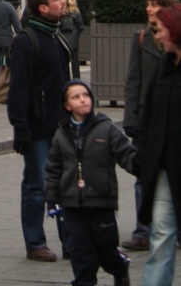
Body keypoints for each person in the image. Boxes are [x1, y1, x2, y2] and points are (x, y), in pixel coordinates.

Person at [45, 79, 138, 286]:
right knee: (80, 252)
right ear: (67, 105)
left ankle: (119, 268)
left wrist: (141, 165)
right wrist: (51, 198)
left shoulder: (106, 128)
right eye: (76, 97)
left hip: (101, 201)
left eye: (85, 95)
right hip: (72, 204)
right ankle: (83, 281)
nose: (83, 100)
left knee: (106, 248)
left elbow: (125, 154)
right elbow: (53, 168)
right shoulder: (61, 134)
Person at [7, 0, 71, 263]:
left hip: (64, 126)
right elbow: (17, 88)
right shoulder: (26, 41)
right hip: (37, 128)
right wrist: (21, 128)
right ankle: (35, 243)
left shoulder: (58, 37)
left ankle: (71, 242)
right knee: (37, 185)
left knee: (68, 184)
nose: (63, 1)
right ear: (43, 8)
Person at [122, 0, 179, 252]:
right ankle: (142, 231)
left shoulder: (176, 39)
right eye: (147, 4)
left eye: (154, 4)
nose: (148, 8)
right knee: (143, 174)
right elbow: (132, 80)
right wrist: (130, 117)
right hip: (147, 118)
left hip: (172, 118)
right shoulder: (141, 38)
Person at [137, 2, 181, 286]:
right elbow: (149, 114)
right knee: (161, 235)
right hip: (166, 167)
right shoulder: (163, 69)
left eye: (163, 30)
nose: (159, 36)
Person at [59, 0, 84, 78]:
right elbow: (81, 26)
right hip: (73, 41)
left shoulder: (61, 12)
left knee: (64, 61)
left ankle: (65, 78)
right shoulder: (76, 12)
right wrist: (76, 33)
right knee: (75, 63)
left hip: (62, 40)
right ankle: (76, 79)